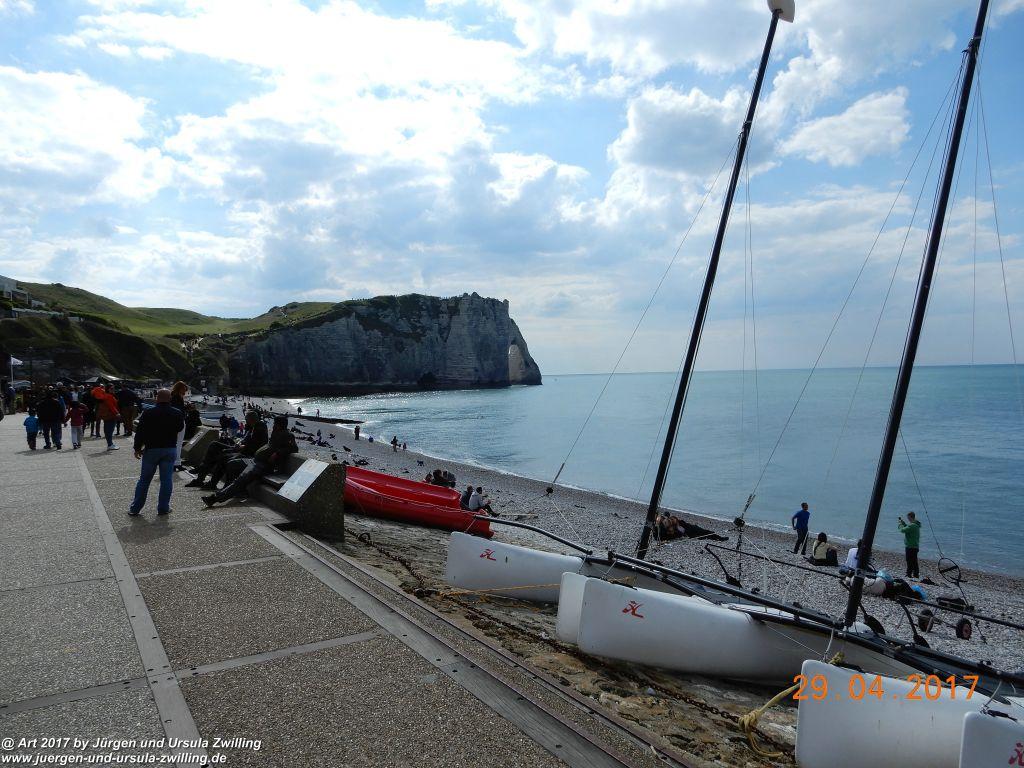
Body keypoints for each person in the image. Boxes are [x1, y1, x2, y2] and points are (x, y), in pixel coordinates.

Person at [202, 416, 297, 506]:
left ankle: (215, 498)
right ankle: (239, 491)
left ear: (279, 425)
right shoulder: (276, 433)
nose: (273, 425)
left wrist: (277, 453)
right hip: (254, 460)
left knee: (241, 478)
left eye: (275, 424)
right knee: (232, 464)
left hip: (263, 465)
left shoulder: (288, 435)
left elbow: (294, 448)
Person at [128, 388, 186, 517]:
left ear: (157, 398)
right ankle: (163, 508)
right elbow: (180, 427)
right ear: (170, 398)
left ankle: (135, 508)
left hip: (152, 449)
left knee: (144, 480)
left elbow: (140, 432)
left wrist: (137, 448)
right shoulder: (177, 413)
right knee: (166, 480)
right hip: (169, 449)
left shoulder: (148, 413)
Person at [186, 411, 268, 489]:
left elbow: (254, 446)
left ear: (251, 420)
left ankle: (207, 477)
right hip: (238, 447)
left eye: (247, 420)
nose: (246, 422)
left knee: (221, 454)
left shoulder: (259, 427)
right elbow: (245, 440)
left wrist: (241, 446)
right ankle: (202, 475)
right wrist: (238, 442)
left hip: (245, 452)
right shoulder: (251, 428)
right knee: (214, 445)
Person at [92, 382, 121, 450]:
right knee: (109, 430)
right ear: (108, 389)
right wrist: (117, 413)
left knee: (107, 430)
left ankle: (110, 444)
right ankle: (110, 445)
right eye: (111, 388)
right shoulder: (109, 396)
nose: (113, 389)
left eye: (114, 388)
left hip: (106, 415)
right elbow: (111, 406)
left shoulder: (105, 395)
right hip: (111, 415)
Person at [170, 381, 189, 470]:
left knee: (173, 443)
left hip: (172, 422)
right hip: (179, 421)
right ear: (180, 388)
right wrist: (187, 408)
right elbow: (178, 410)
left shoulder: (172, 396)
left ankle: (174, 462)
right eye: (184, 389)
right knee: (179, 443)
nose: (185, 390)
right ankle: (177, 463)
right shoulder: (177, 397)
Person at [898, 512, 922, 579]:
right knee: (914, 561)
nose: (908, 519)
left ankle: (909, 574)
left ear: (911, 517)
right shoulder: (916, 525)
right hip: (915, 546)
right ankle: (915, 574)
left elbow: (902, 530)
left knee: (909, 561)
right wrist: (904, 523)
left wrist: (900, 524)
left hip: (910, 546)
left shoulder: (912, 525)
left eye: (908, 518)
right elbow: (908, 529)